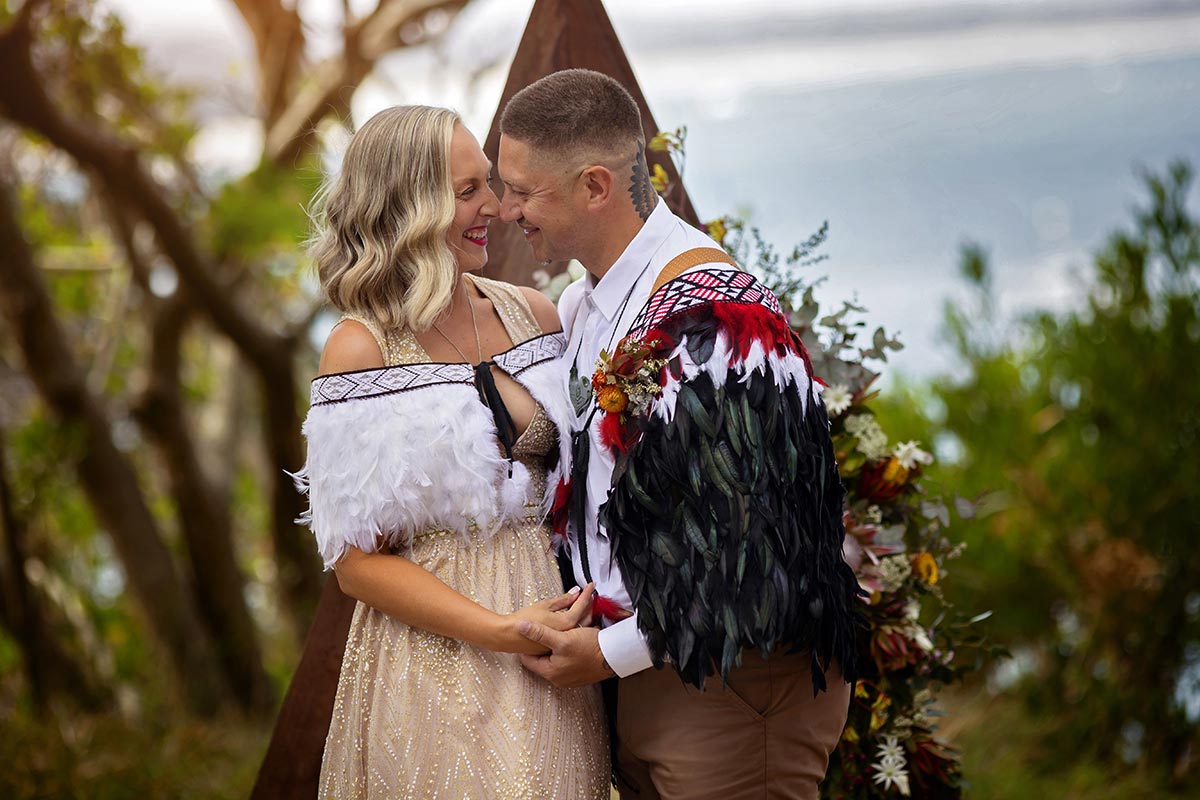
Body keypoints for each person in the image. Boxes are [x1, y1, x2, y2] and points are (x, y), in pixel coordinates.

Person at [497, 70, 865, 799]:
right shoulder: (584, 305)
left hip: (731, 687)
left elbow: (751, 554)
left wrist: (608, 653)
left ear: (595, 186)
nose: (508, 211)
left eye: (523, 190)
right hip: (650, 679)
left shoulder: (717, 322)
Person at [295, 104, 610, 799]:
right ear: (408, 203)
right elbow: (355, 566)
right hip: (433, 662)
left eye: (488, 185)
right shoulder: (361, 348)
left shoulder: (536, 313)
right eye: (467, 191)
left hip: (554, 657)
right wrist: (500, 629)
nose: (494, 207)